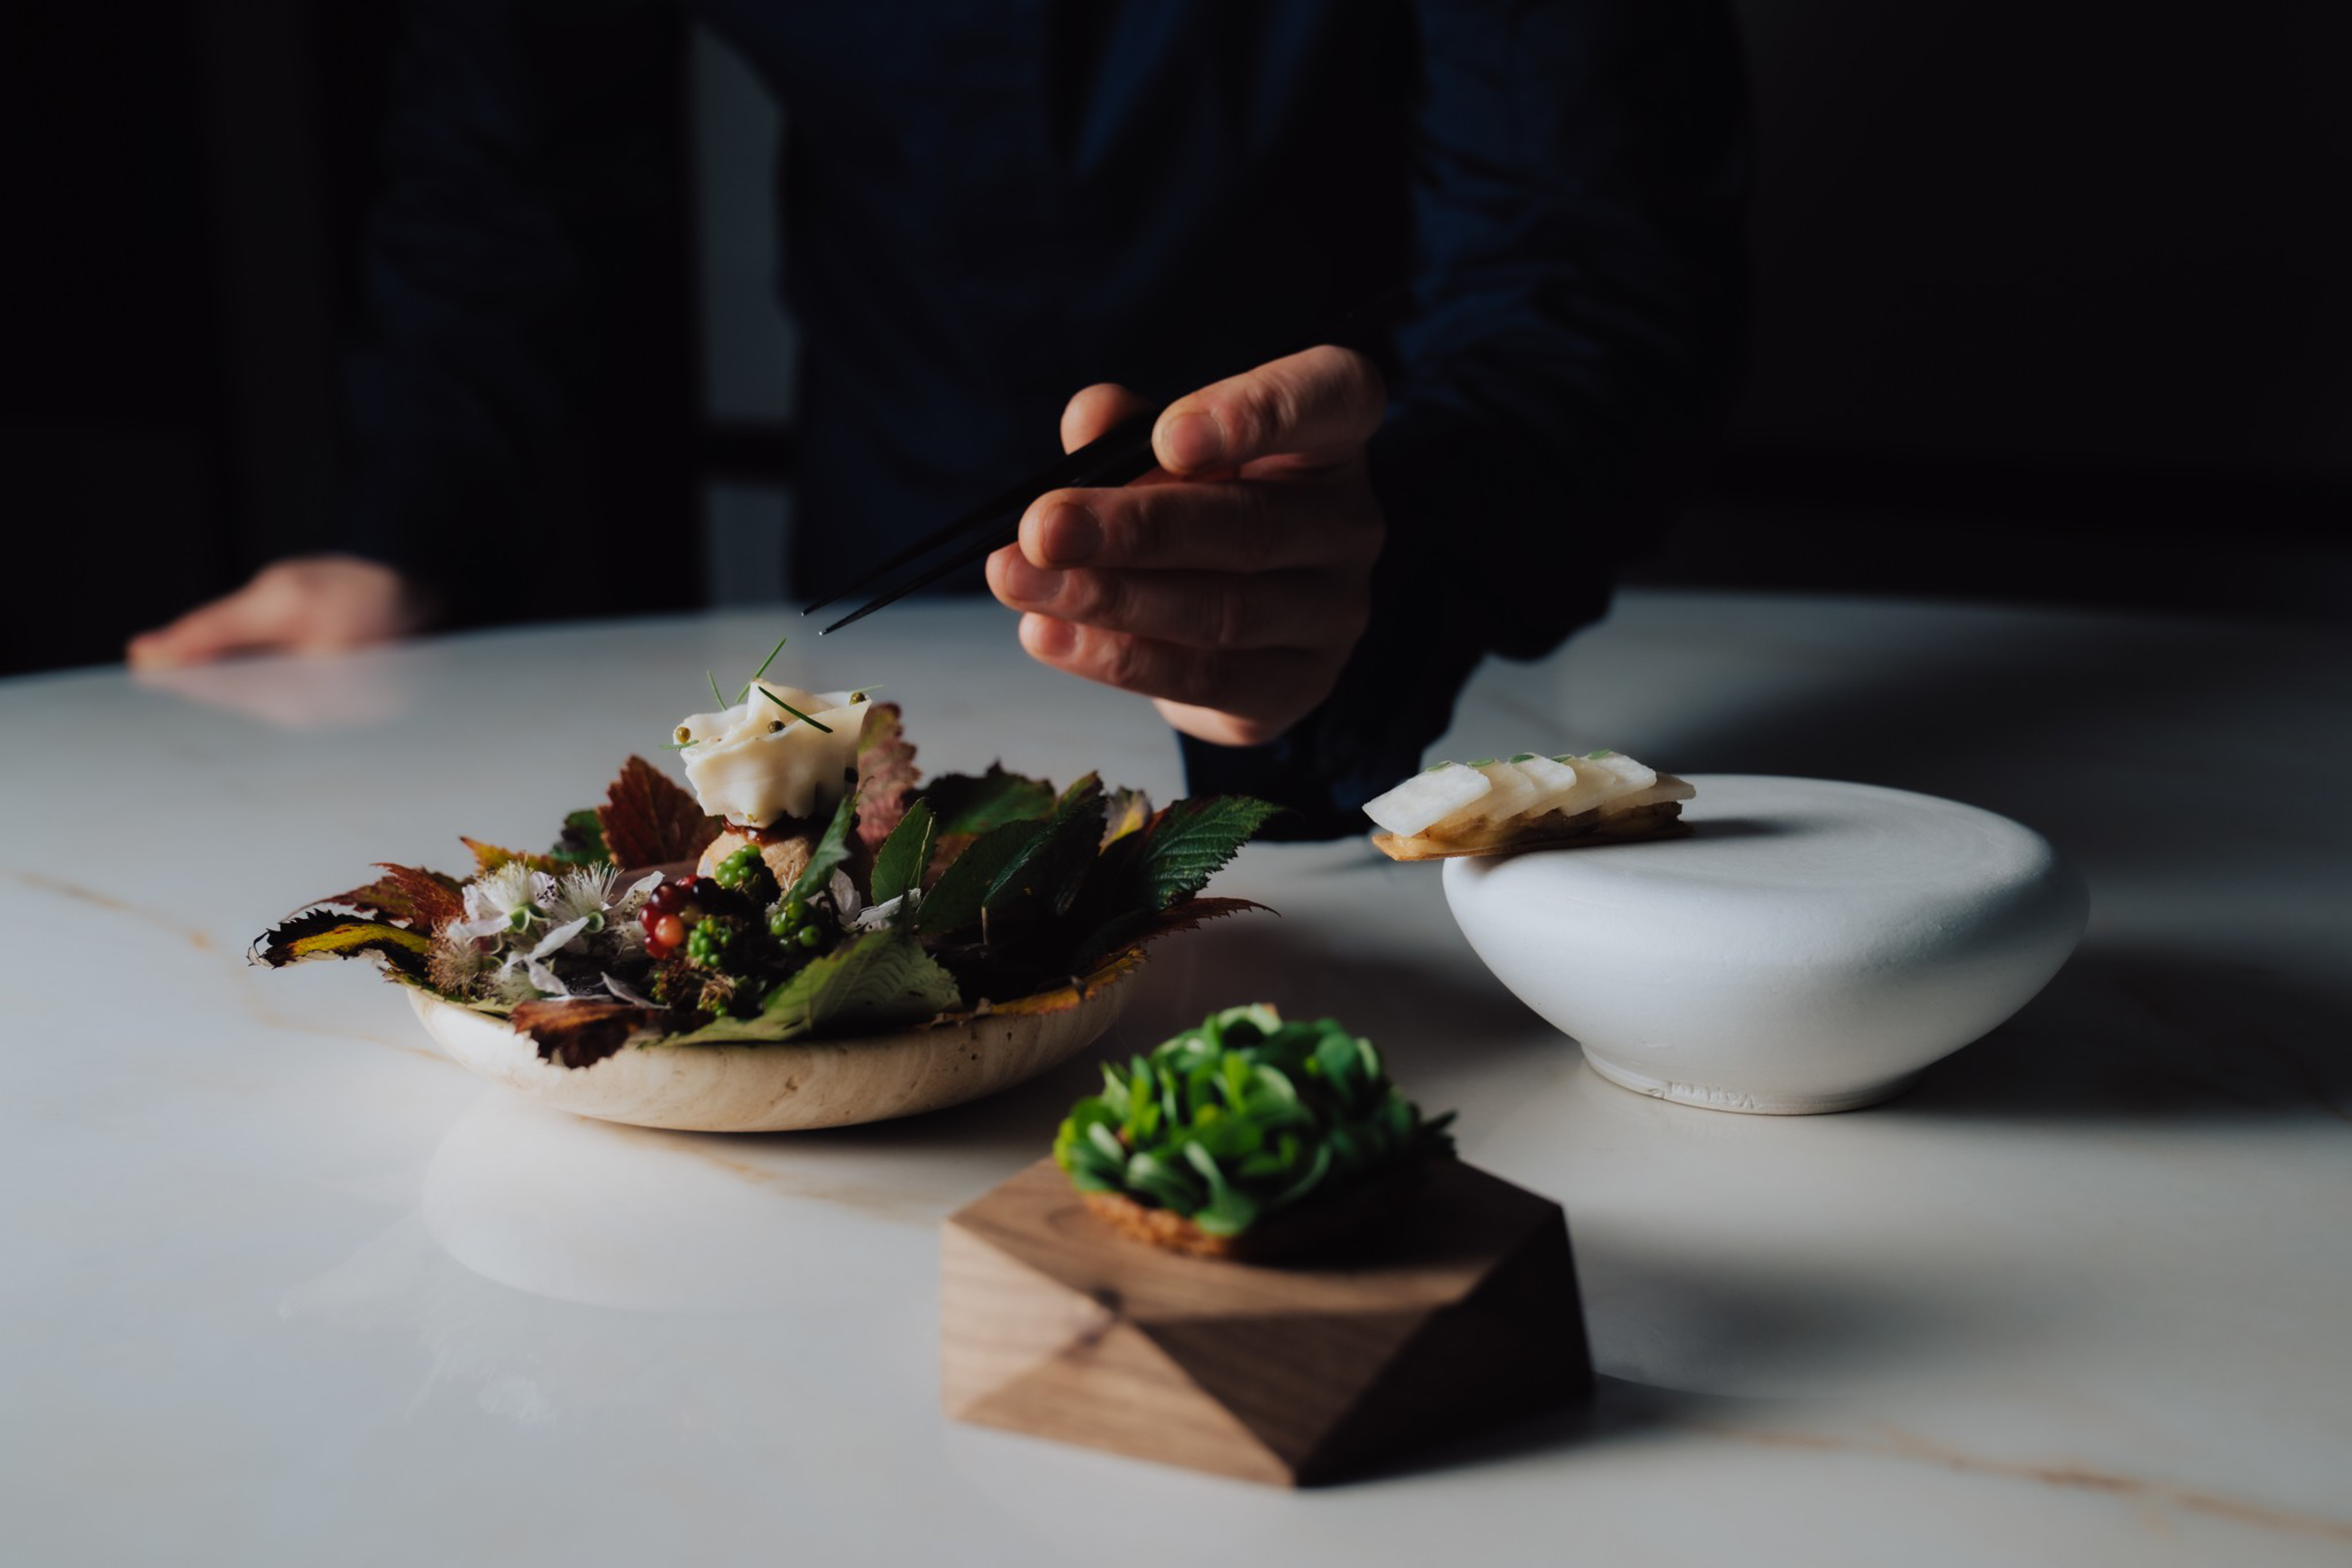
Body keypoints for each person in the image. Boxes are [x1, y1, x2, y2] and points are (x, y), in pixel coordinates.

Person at [128, 1, 1748, 837]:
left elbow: (1579, 264)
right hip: (888, 553)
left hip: (1427, 606)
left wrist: (1386, 556)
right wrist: (411, 526)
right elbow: (508, 146)